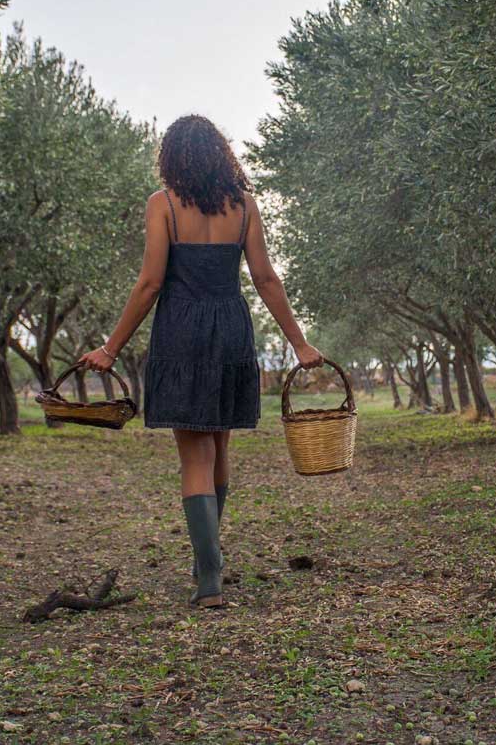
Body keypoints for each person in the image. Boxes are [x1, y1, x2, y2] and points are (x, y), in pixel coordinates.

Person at [80, 114, 322, 608]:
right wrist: (299, 343)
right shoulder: (246, 207)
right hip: (231, 328)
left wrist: (110, 349)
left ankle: (208, 577)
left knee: (196, 454)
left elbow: (150, 283)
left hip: (182, 332)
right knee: (219, 448)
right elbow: (266, 279)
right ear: (221, 155)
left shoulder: (162, 205)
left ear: (171, 158)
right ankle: (208, 559)